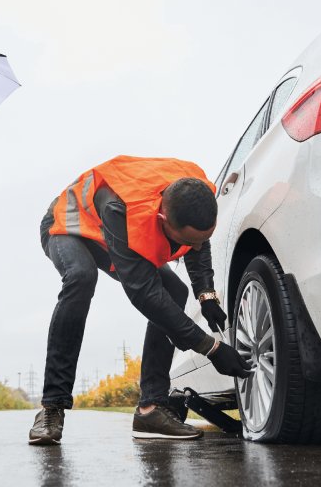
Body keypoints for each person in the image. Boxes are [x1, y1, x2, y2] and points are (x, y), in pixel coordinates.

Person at [28, 155, 251, 445]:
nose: (194, 247)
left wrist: (206, 294)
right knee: (81, 278)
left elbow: (197, 242)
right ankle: (51, 408)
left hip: (115, 225)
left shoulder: (195, 190)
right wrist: (211, 347)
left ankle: (151, 409)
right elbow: (144, 294)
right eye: (188, 241)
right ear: (162, 219)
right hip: (69, 225)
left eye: (201, 239)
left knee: (175, 291)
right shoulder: (121, 208)